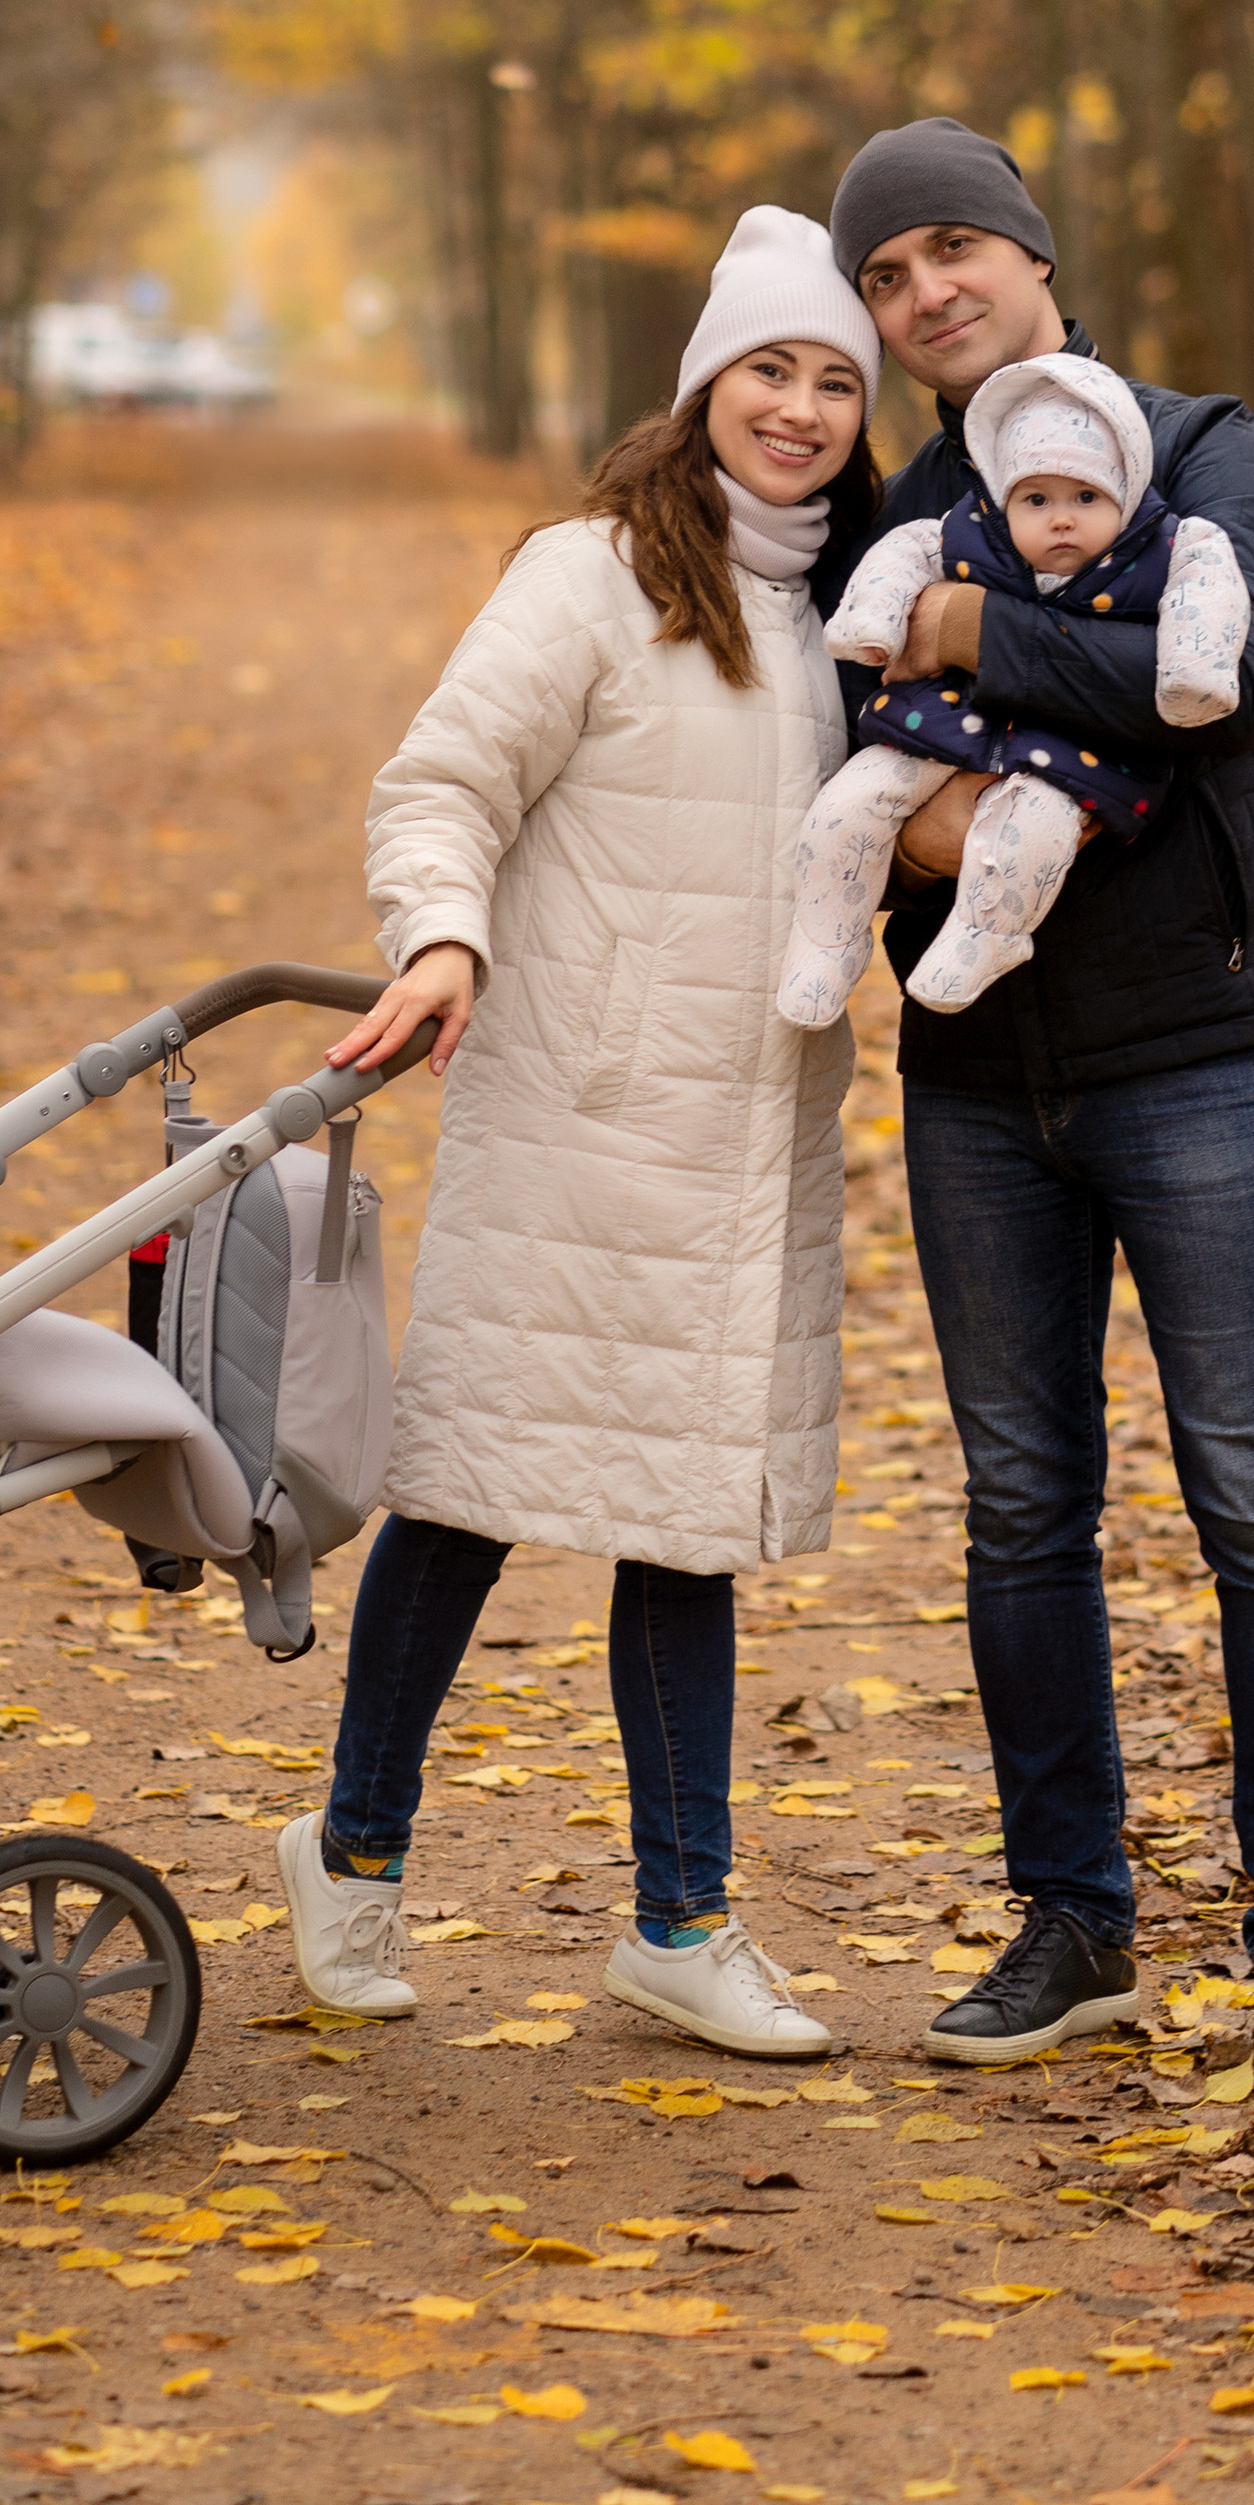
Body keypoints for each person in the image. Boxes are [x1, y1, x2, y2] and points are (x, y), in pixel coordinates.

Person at [278, 208, 882, 2057]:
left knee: (682, 1523)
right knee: (468, 1496)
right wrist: (444, 930)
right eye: (770, 369)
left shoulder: (857, 601)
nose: (799, 407)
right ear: (705, 383)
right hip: (584, 1114)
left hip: (751, 1134)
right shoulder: (594, 572)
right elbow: (444, 780)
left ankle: (681, 1925)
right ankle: (353, 1856)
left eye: (837, 380)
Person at [823, 114, 1254, 2092]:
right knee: (1021, 1509)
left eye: (951, 249)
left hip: (1201, 1060)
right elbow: (840, 744)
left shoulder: (1191, 445)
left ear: (1036, 260)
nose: (921, 296)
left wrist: (967, 639)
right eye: (883, 279)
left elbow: (1225, 677)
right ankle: (1072, 1926)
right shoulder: (891, 492)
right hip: (973, 1085)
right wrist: (932, 799)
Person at [780, 353, 1249, 1022]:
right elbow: (904, 553)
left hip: (1072, 749)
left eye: (1086, 497)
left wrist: (1194, 673)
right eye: (1037, 499)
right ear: (1005, 498)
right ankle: (826, 937)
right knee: (847, 804)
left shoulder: (1167, 546)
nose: (1061, 519)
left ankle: (987, 935)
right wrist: (870, 620)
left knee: (1033, 830)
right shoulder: (969, 533)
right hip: (943, 723)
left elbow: (1211, 585)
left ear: (1125, 486)